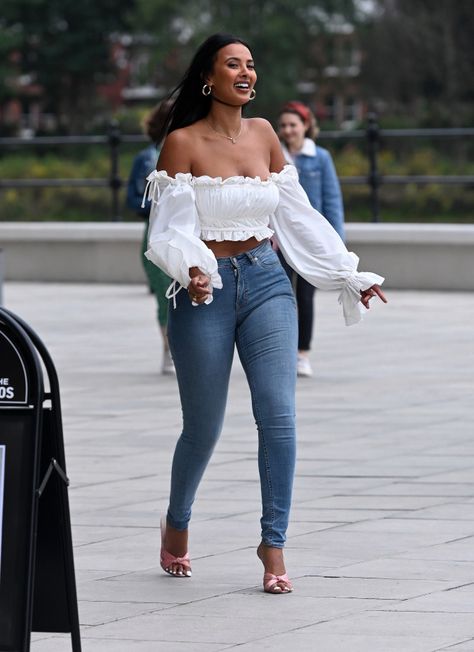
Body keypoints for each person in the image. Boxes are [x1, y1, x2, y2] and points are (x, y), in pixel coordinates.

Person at [143, 33, 387, 594]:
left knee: (279, 418)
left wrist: (346, 272)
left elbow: (297, 216)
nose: (247, 72)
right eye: (234, 64)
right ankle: (177, 520)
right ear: (210, 77)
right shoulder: (181, 143)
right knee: (203, 428)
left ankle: (272, 542)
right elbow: (168, 230)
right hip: (203, 290)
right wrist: (194, 270)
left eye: (252, 64)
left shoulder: (266, 135)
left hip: (267, 281)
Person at [278, 101, 345, 377]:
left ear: (306, 126)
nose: (288, 130)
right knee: (280, 296)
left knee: (305, 297)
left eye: (293, 125)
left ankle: (302, 352)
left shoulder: (320, 157)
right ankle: (281, 350)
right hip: (279, 238)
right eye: (282, 125)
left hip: (309, 241)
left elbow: (332, 200)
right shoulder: (275, 156)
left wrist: (336, 245)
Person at [126, 102, 175, 374]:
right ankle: (169, 349)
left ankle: (186, 348)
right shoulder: (147, 158)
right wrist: (158, 203)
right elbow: (132, 199)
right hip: (156, 232)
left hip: (189, 232)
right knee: (164, 295)